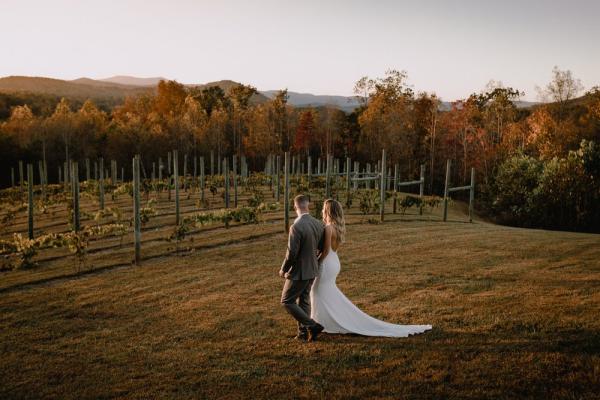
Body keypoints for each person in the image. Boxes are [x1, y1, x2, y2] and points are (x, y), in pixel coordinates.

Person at [310, 199, 432, 337]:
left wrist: (315, 262)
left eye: (323, 209)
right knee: (326, 292)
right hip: (335, 263)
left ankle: (320, 321)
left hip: (326, 263)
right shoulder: (337, 228)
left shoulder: (328, 228)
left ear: (328, 211)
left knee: (315, 290)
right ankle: (324, 320)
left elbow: (325, 252)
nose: (321, 212)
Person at [279, 194, 325, 341]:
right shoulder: (318, 224)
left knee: (287, 301)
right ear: (308, 205)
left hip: (300, 271)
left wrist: (284, 269)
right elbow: (321, 247)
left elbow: (292, 253)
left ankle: (313, 325)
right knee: (304, 300)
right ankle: (303, 333)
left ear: (295, 207)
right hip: (313, 268)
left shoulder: (296, 226)